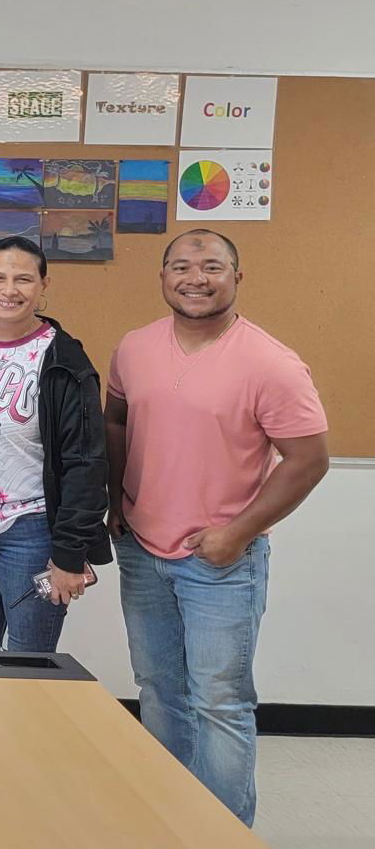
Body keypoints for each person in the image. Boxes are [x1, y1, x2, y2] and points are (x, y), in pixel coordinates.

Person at [106, 229, 329, 825]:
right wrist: (113, 499)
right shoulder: (134, 347)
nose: (195, 278)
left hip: (221, 563)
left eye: (211, 266)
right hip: (142, 551)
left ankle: (222, 832)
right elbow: (117, 422)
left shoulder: (271, 362)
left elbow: (309, 460)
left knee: (220, 703)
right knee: (159, 690)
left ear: (237, 277)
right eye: (180, 266)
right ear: (163, 277)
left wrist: (237, 533)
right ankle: (169, 820)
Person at [0, 236, 111, 654]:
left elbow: (86, 463)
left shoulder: (64, 361)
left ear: (43, 285)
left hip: (31, 532)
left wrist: (69, 554)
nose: (9, 290)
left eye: (23, 279)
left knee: (28, 665)